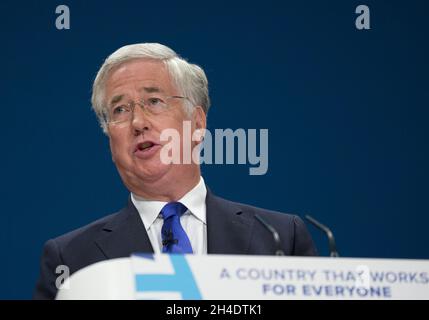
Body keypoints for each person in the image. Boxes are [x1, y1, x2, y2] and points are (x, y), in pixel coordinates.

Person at [33, 43, 317, 300]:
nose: (137, 122)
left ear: (197, 123)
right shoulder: (71, 259)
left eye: (154, 102)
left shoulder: (281, 237)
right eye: (119, 110)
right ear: (110, 138)